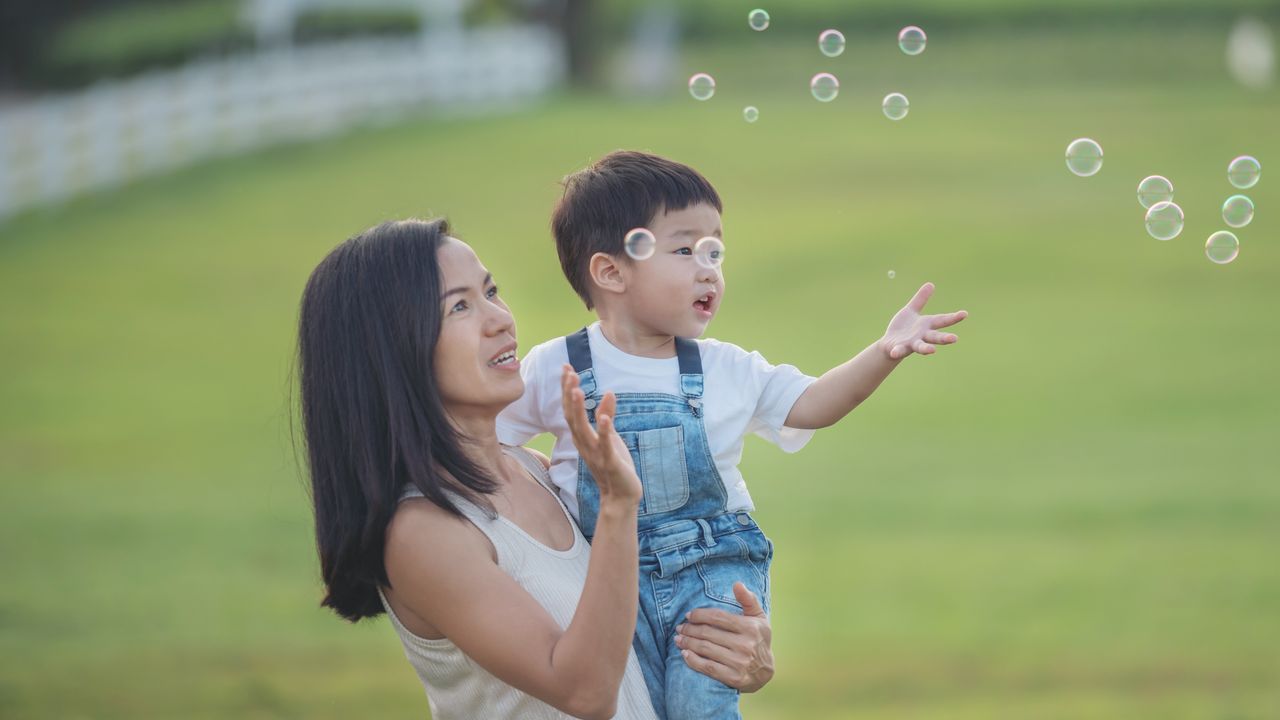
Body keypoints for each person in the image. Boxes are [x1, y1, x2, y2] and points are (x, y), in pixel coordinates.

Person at [497, 151, 969, 719]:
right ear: (611, 271)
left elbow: (812, 404)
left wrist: (884, 352)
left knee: (701, 704)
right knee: (631, 705)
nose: (709, 270)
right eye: (684, 250)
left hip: (711, 575)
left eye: (715, 251)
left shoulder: (724, 367)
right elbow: (488, 435)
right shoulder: (557, 368)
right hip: (610, 580)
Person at [296, 217, 774, 720]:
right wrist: (616, 508)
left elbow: (639, 630)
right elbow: (585, 693)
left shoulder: (541, 474)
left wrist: (734, 652)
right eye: (459, 306)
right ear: (391, 353)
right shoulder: (424, 532)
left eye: (491, 291)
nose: (500, 318)